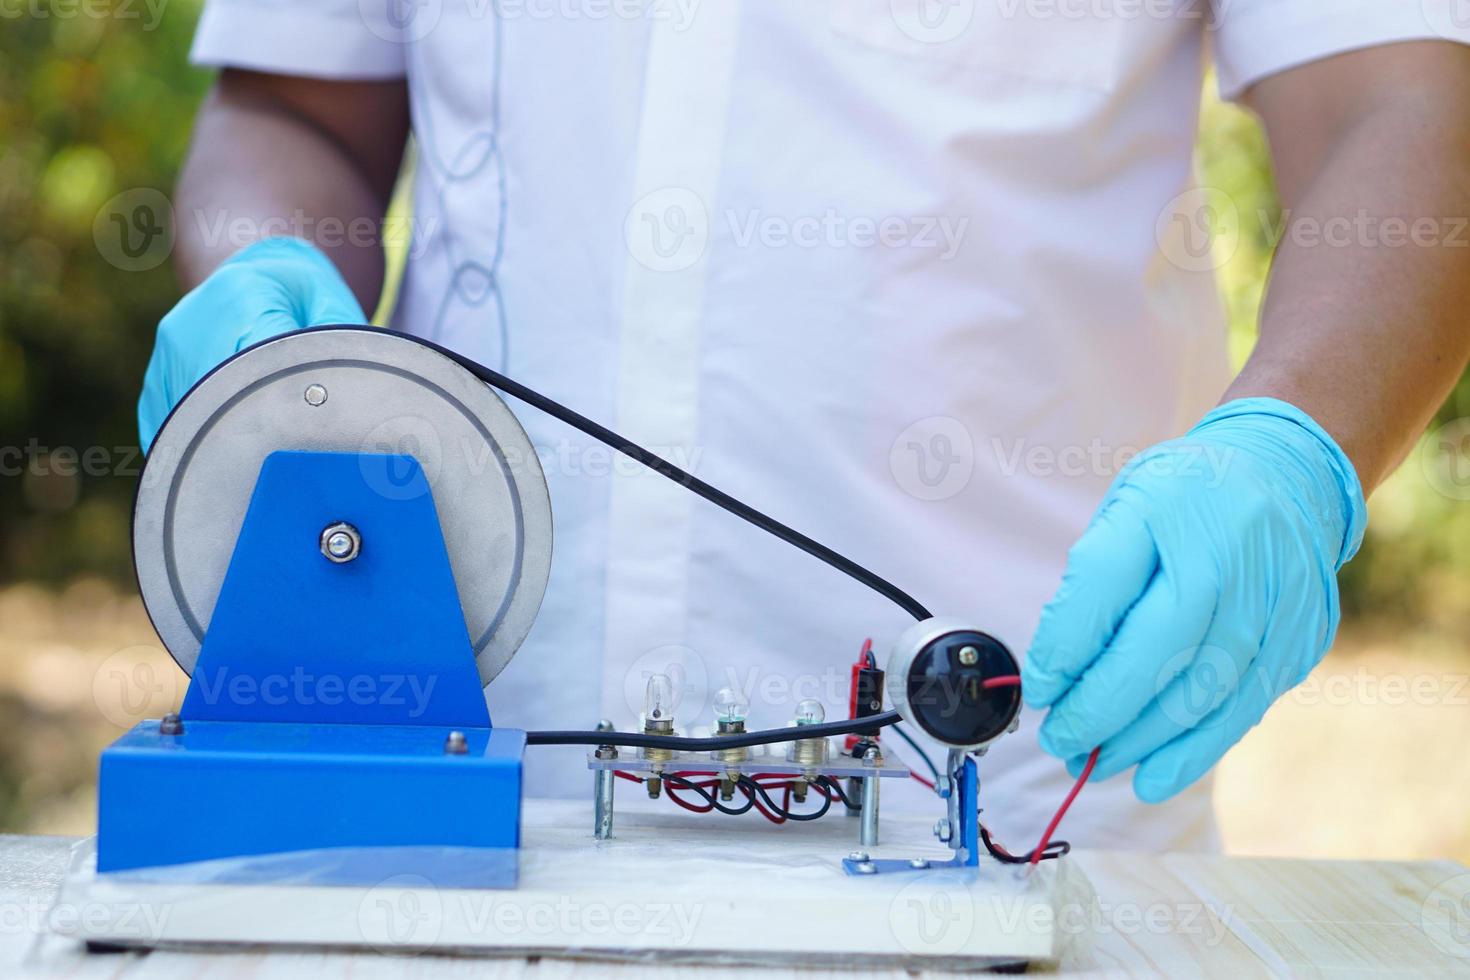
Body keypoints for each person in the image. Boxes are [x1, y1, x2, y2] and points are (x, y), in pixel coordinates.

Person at [139, 1, 1470, 851]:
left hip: (1007, 808)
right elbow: (293, 101)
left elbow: (1398, 100)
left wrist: (1290, 443)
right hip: (449, 784)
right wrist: (265, 291)